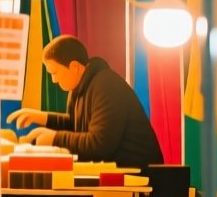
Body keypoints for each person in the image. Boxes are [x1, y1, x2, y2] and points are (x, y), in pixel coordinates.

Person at [10, 35, 164, 167]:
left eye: (55, 73)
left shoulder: (106, 85)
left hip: (143, 180)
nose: (53, 80)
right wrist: (41, 117)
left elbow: (99, 143)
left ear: (75, 67)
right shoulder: (80, 87)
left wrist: (55, 139)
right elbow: (76, 125)